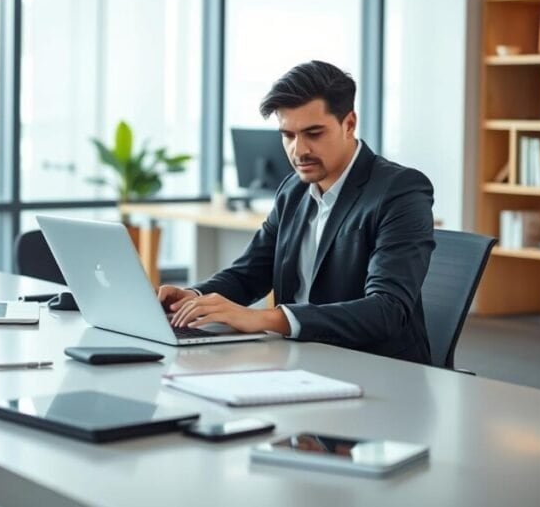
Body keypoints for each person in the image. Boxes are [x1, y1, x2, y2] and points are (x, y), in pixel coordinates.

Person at [159, 60, 435, 364]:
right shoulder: (294, 189)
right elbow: (251, 272)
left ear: (349, 124)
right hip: (297, 358)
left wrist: (266, 319)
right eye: (288, 135)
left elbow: (387, 310)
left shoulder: (401, 190)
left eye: (313, 133)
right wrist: (194, 298)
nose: (298, 150)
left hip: (376, 367)